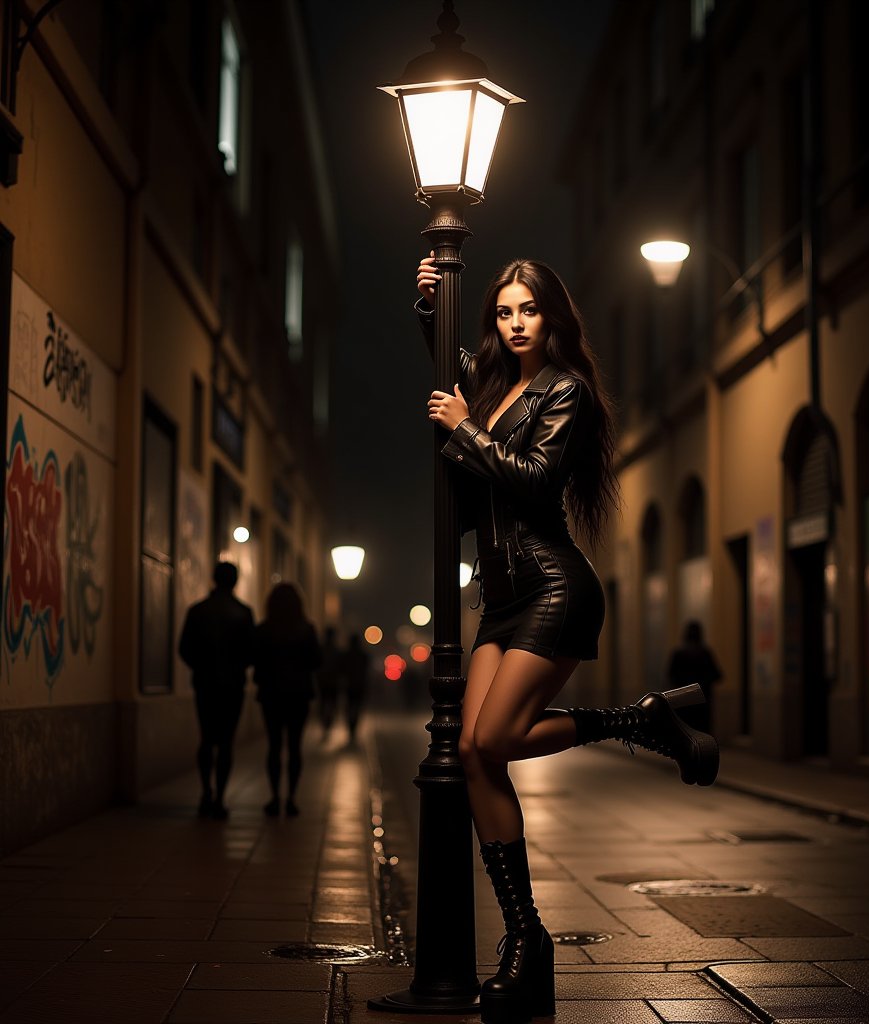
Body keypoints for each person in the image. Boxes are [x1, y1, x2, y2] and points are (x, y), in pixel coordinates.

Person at [416, 254, 720, 1024]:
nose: (516, 323)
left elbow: (535, 475)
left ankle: (637, 722)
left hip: (554, 589)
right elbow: (457, 380)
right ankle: (528, 943)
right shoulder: (494, 388)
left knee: (496, 737)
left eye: (529, 311)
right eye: (504, 312)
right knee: (473, 754)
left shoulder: (565, 392)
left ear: (553, 317)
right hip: (503, 600)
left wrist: (464, 432)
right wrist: (429, 307)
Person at [178, 561, 255, 820]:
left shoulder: (198, 611)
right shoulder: (244, 613)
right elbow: (250, 652)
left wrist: (202, 667)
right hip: (233, 686)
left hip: (205, 683)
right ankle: (220, 797)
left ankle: (205, 793)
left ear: (213, 579)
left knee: (206, 738)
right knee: (226, 742)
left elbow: (184, 648)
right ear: (234, 582)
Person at [253, 583, 322, 817]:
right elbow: (316, 662)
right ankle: (291, 798)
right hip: (298, 695)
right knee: (295, 746)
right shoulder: (306, 630)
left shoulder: (264, 629)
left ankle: (274, 797)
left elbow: (255, 659)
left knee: (274, 745)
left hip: (271, 694)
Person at [667, 620, 723, 734]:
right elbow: (717, 675)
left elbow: (671, 676)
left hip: (683, 701)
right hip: (702, 701)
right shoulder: (705, 653)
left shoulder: (678, 654)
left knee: (685, 732)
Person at [341, 632, 370, 745]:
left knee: (349, 706)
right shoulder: (363, 655)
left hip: (349, 685)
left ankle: (350, 727)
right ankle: (353, 727)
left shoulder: (346, 655)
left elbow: (342, 670)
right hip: (360, 685)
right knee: (357, 707)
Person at [316, 627, 344, 741]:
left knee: (323, 702)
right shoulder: (337, 651)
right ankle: (328, 721)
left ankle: (325, 721)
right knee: (332, 703)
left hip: (323, 682)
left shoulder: (321, 650)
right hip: (333, 682)